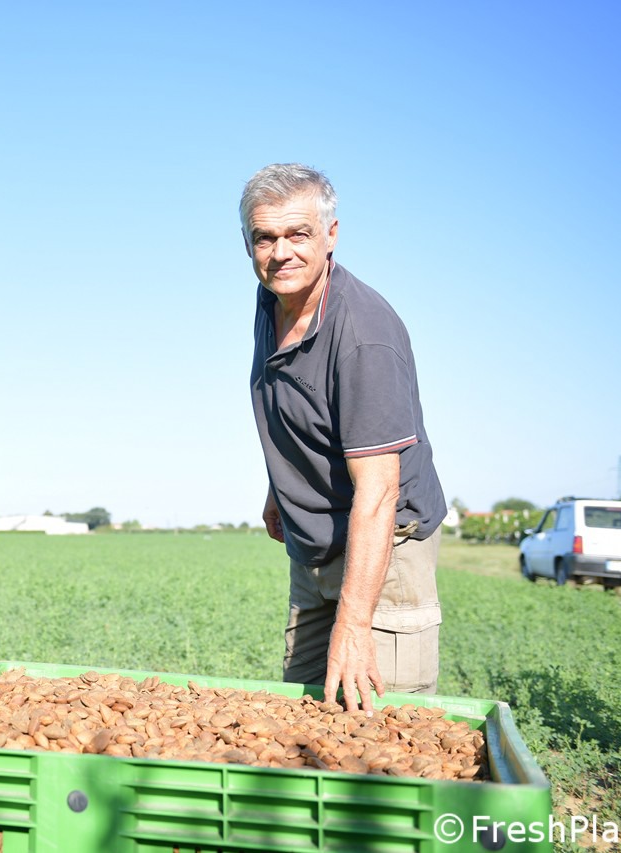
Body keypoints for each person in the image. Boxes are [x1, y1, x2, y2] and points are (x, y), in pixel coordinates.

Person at [240, 164, 447, 715]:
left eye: (298, 234)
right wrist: (278, 488)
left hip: (384, 548)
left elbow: (379, 493)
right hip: (313, 546)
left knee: (380, 727)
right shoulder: (273, 300)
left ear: (331, 235)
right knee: (303, 716)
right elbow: (293, 403)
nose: (281, 252)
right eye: (264, 238)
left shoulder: (363, 337)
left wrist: (354, 625)